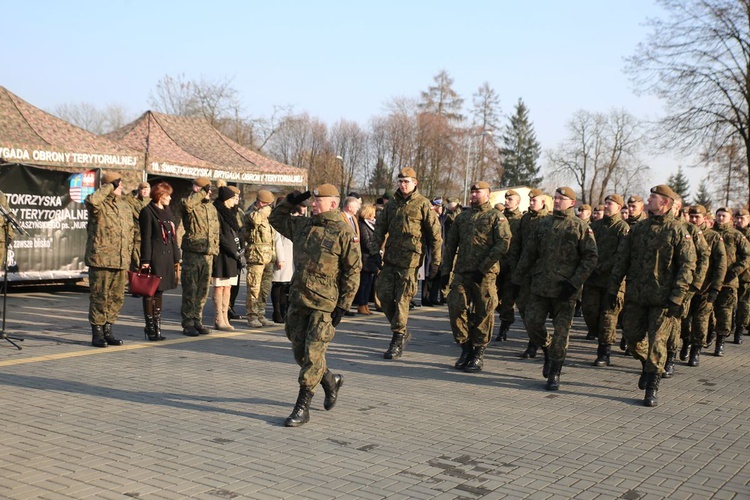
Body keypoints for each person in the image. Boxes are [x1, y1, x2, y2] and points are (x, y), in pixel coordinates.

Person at [269, 184, 362, 427]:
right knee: (300, 352)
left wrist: (342, 306)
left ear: (332, 204)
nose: (313, 203)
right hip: (298, 299)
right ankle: (330, 380)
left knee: (313, 354)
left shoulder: (344, 232)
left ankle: (302, 406)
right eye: (313, 200)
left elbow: (353, 272)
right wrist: (290, 201)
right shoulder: (304, 226)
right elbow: (276, 219)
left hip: (324, 303)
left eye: (318, 201)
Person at [609, 185, 695, 407]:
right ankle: (648, 365)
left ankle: (652, 385)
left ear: (665, 202)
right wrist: (613, 288)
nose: (648, 200)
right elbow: (622, 259)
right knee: (632, 339)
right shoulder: (638, 229)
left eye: (653, 197)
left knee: (658, 342)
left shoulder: (677, 231)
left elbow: (687, 266)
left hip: (663, 299)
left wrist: (677, 297)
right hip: (637, 295)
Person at [513, 187, 597, 391]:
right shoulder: (543, 224)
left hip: (565, 290)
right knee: (532, 322)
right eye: (556, 198)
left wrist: (575, 282)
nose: (557, 201)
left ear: (572, 203)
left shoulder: (580, 226)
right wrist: (517, 278)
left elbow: (591, 257)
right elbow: (529, 253)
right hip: (540, 285)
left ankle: (555, 372)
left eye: (562, 199)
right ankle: (547, 348)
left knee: (561, 332)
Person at [440, 182, 512, 372]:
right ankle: (465, 348)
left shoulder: (496, 217)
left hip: (485, 275)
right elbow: (450, 245)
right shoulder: (462, 217)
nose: (473, 195)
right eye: (471, 192)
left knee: (483, 312)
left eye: (477, 192)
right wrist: (445, 270)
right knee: (456, 308)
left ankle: (478, 352)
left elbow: (503, 244)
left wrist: (484, 267)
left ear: (488, 195)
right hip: (462, 272)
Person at [374, 167, 442, 359]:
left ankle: (397, 338)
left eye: (407, 181)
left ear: (415, 182)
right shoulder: (392, 204)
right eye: (401, 181)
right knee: (384, 296)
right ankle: (401, 330)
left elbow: (435, 236)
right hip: (390, 259)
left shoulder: (423, 204)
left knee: (403, 299)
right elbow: (380, 227)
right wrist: (374, 251)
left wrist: (436, 261)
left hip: (410, 261)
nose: (403, 185)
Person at [85, 172, 134, 347]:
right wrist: (108, 186)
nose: (120, 187)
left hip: (121, 261)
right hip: (101, 259)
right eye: (117, 184)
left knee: (117, 298)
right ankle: (97, 333)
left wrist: (132, 257)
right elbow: (91, 201)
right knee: (99, 297)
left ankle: (108, 330)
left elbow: (131, 233)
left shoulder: (124, 207)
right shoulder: (99, 205)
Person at [581, 194, 629, 366]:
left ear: (618, 207)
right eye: (606, 203)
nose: (607, 206)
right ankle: (598, 336)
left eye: (611, 204)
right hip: (593, 280)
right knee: (589, 312)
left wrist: (601, 266)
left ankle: (604, 352)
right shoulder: (595, 226)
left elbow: (621, 254)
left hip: (612, 280)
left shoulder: (622, 227)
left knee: (608, 317)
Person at [507, 188, 550, 358]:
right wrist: (515, 266)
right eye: (530, 200)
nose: (531, 203)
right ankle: (535, 339)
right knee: (524, 308)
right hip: (524, 271)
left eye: (534, 200)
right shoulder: (525, 219)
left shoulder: (548, 220)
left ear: (543, 202)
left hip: (540, 273)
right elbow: (516, 244)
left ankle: (535, 344)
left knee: (536, 312)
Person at [685, 205, 726, 367]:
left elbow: (720, 265)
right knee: (683, 321)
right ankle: (685, 342)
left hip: (705, 287)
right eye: (692, 217)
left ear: (705, 219)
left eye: (697, 217)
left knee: (700, 321)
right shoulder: (684, 233)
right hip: (685, 287)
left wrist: (715, 288)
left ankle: (695, 350)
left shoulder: (713, 237)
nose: (694, 220)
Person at [138, 182, 180, 341]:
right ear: (159, 196)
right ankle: (150, 327)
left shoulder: (168, 212)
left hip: (167, 257)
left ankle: (157, 326)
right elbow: (146, 238)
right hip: (155, 256)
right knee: (150, 292)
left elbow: (173, 237)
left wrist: (176, 257)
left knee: (160, 291)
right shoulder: (147, 212)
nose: (170, 198)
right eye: (167, 195)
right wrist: (145, 260)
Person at [180, 177, 220, 337]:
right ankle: (188, 322)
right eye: (205, 189)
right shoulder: (189, 203)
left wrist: (215, 249)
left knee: (203, 291)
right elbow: (187, 205)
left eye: (209, 190)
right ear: (197, 189)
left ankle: (197, 320)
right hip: (193, 253)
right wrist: (201, 192)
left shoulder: (210, 208)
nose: (208, 192)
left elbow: (215, 230)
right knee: (191, 290)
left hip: (207, 254)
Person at [711, 207, 750, 356]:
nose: (721, 218)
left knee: (726, 312)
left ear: (729, 218)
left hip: (730, 280)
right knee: (707, 312)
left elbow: (747, 256)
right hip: (710, 280)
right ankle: (707, 336)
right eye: (719, 215)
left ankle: (721, 341)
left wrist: (735, 271)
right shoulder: (710, 234)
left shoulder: (736, 235)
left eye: (724, 216)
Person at [212, 186, 244, 331]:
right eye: (232, 198)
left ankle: (225, 316)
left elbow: (236, 233)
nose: (235, 201)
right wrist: (232, 250)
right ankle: (219, 317)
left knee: (228, 286)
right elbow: (220, 236)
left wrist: (240, 250)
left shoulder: (232, 213)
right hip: (222, 255)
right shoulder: (217, 212)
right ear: (226, 199)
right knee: (220, 286)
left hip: (233, 256)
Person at [244, 189, 276, 328]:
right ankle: (252, 316)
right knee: (254, 287)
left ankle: (261, 314)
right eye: (268, 204)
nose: (270, 207)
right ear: (261, 202)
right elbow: (255, 220)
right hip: (256, 255)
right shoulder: (251, 213)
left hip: (268, 256)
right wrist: (265, 210)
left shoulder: (268, 215)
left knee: (265, 288)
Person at [495, 189, 523, 341]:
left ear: (517, 202)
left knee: (508, 299)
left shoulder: (522, 221)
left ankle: (503, 328)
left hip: (513, 266)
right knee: (492, 297)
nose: (507, 201)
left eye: (510, 199)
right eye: (506, 199)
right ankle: (504, 317)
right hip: (497, 264)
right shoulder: (498, 218)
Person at [271, 200, 297, 323]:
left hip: (290, 258)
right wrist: (280, 259)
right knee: (278, 285)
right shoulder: (279, 222)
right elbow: (277, 242)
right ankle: (277, 312)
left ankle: (283, 311)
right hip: (282, 258)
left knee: (285, 287)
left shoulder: (291, 220)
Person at [354, 203, 380, 315]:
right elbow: (366, 242)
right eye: (372, 214)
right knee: (364, 283)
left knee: (368, 283)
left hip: (371, 259)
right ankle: (361, 304)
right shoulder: (363, 225)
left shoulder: (371, 224)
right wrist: (375, 247)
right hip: (365, 258)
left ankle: (365, 305)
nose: (374, 216)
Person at [124, 181, 151, 272]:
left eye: (146, 189)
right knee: (136, 262)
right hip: (138, 237)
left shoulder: (152, 203)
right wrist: (133, 192)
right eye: (142, 189)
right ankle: (135, 283)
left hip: (150, 237)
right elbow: (125, 199)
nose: (144, 191)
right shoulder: (134, 202)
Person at [733, 208, 750, 344]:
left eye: (742, 218)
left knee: (744, 304)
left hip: (746, 276)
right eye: (737, 218)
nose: (739, 221)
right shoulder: (732, 233)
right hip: (730, 275)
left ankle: (739, 329)